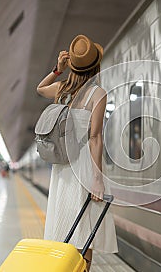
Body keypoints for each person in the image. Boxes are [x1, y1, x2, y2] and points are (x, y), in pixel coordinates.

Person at [36, 34, 118, 271]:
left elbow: (40, 89)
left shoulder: (61, 88)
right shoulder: (98, 94)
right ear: (96, 66)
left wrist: (57, 70)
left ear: (72, 65)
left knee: (64, 228)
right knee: (85, 231)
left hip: (62, 168)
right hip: (83, 166)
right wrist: (98, 179)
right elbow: (95, 138)